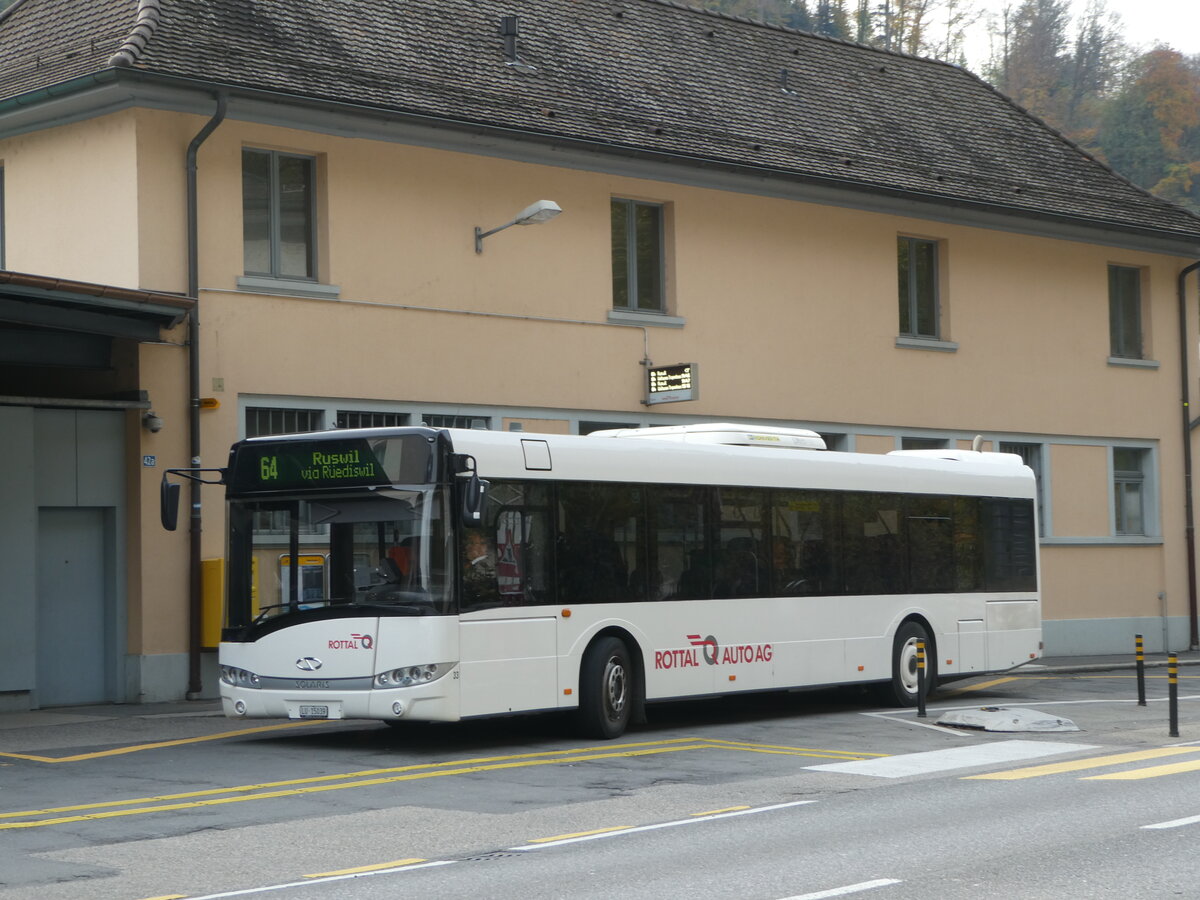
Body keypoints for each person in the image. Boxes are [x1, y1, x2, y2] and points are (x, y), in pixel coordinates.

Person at [462, 528, 500, 607]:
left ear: (483, 546)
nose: (467, 546)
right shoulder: (474, 563)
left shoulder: (484, 566)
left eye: (472, 543)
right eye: (468, 543)